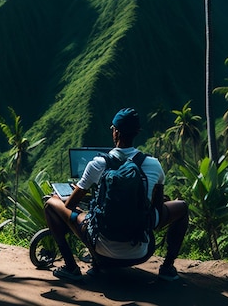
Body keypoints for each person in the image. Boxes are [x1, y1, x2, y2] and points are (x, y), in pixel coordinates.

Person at [44, 108, 189, 281]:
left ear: (116, 132)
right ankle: (167, 268)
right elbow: (156, 208)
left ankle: (70, 267)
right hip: (142, 251)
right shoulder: (153, 165)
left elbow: (69, 205)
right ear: (137, 132)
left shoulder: (97, 164)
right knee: (182, 206)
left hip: (101, 248)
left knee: (52, 203)